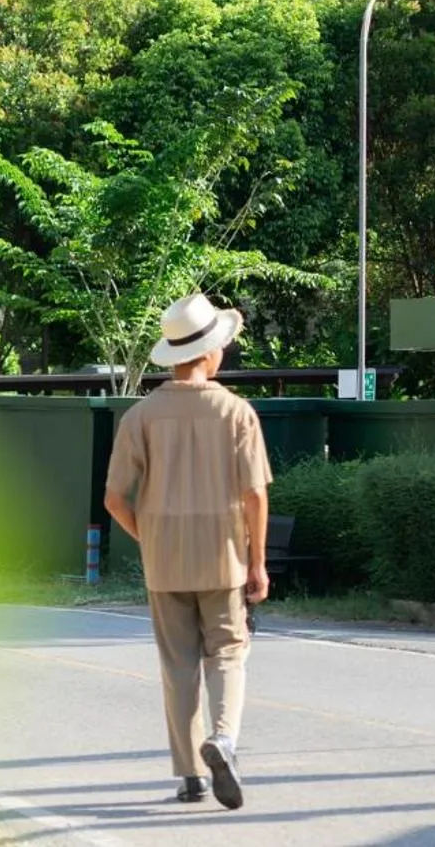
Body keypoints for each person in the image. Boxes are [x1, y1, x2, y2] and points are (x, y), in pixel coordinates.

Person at [104, 293, 272, 809]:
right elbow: (254, 494)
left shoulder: (140, 416)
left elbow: (114, 499)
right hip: (224, 555)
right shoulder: (236, 412)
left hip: (164, 561)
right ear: (211, 352)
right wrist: (258, 563)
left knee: (177, 666)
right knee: (226, 653)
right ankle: (222, 739)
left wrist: (148, 536)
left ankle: (190, 776)